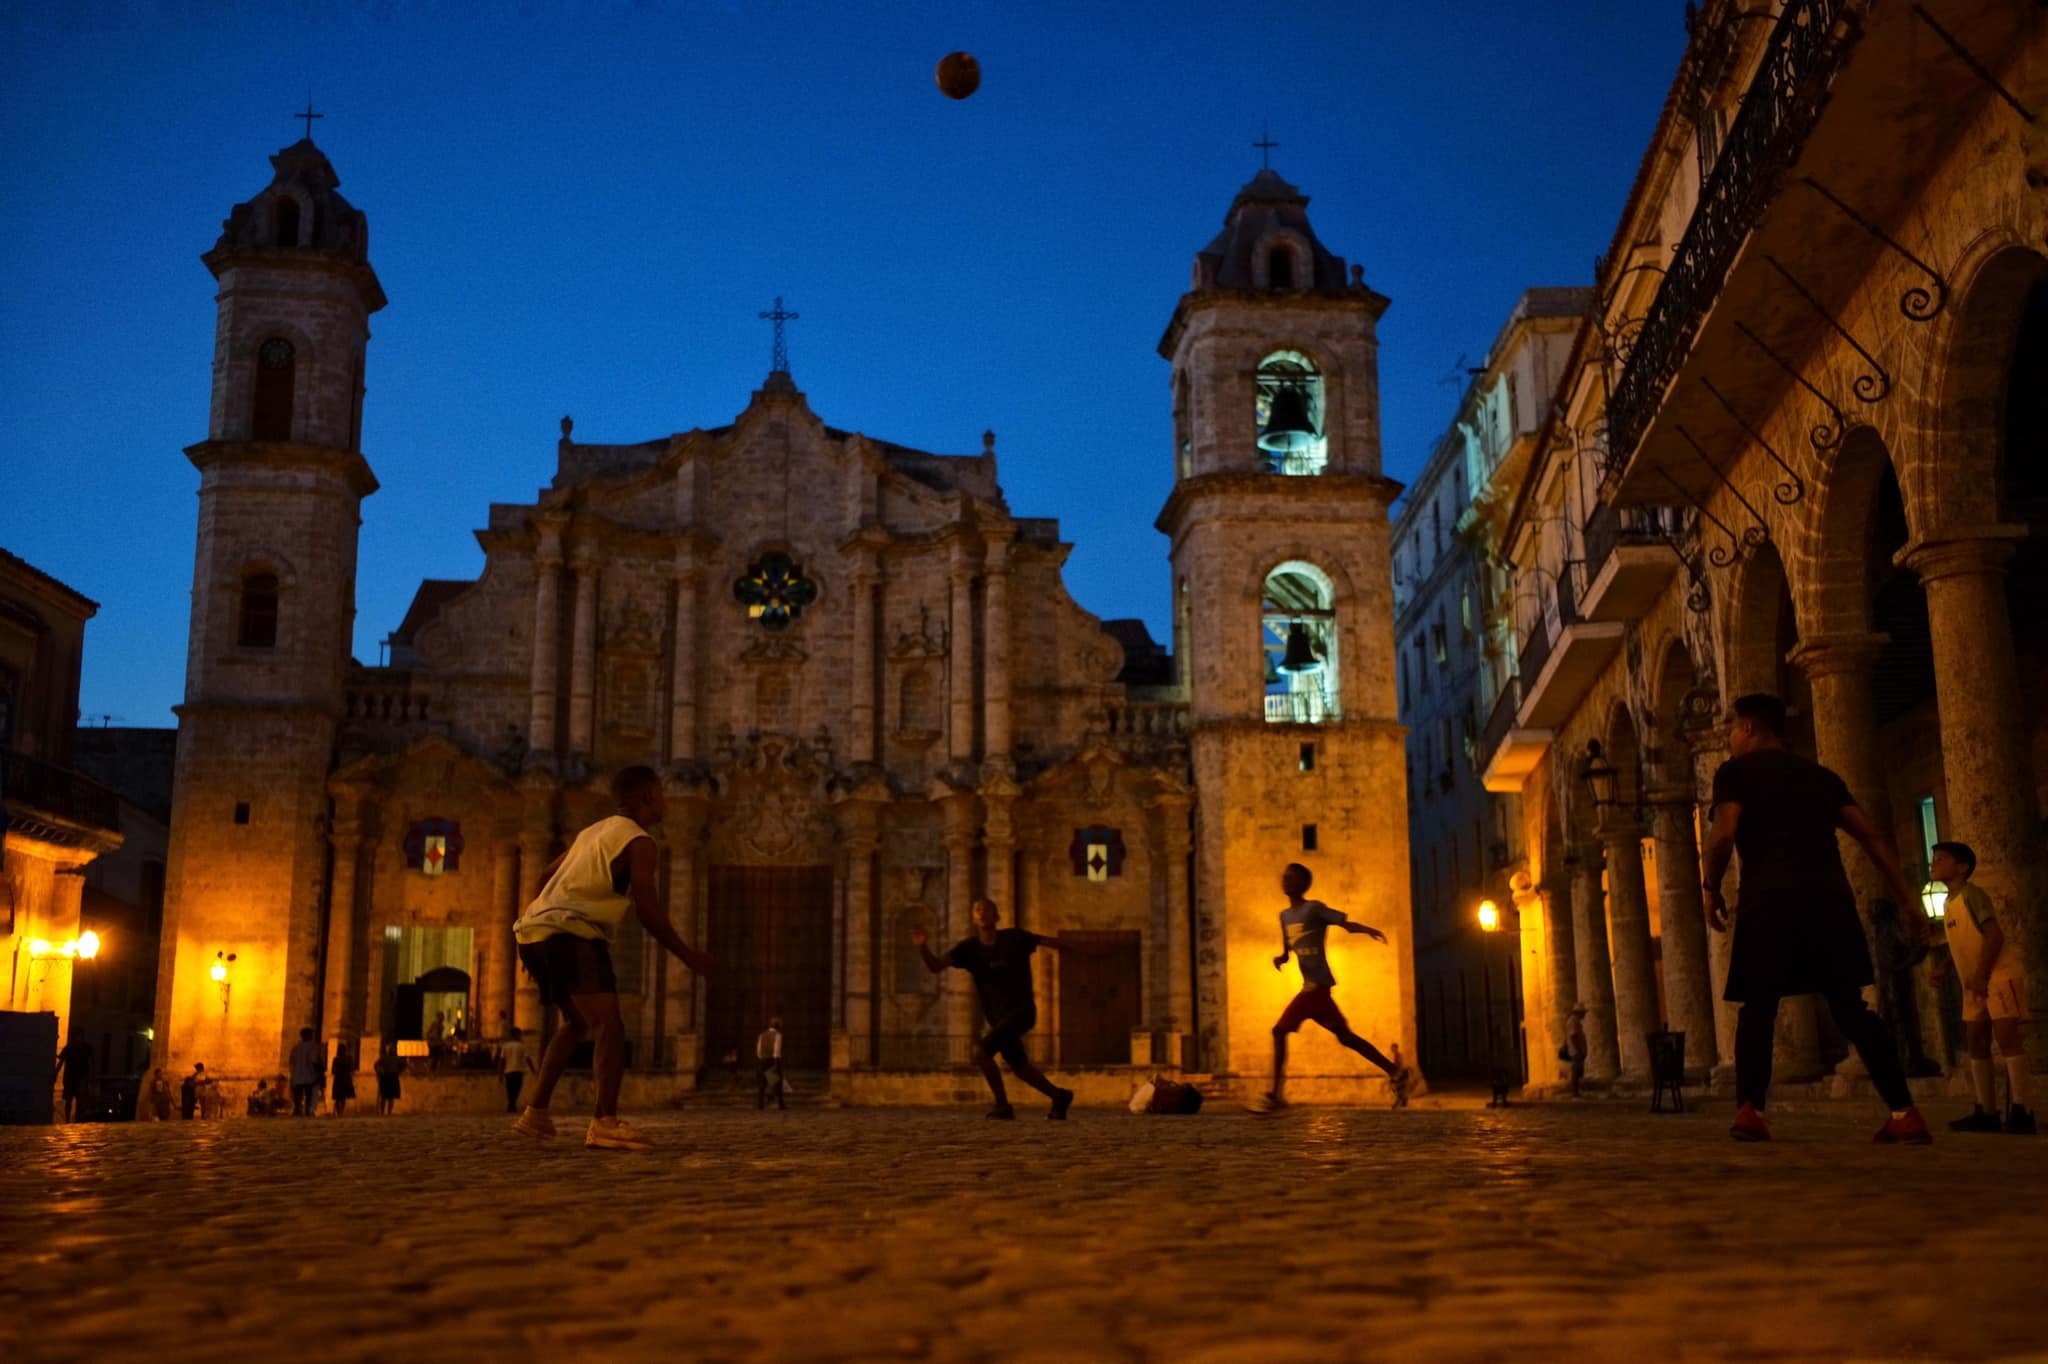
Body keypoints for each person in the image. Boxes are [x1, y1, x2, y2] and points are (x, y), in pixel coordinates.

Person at [1701, 692, 1931, 1144]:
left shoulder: (1735, 773)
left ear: (1747, 729)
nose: (1730, 738)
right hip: (1829, 901)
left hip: (1767, 902)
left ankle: (1750, 1110)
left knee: (1759, 1008)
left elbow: (1724, 832)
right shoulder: (1820, 777)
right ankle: (1904, 1112)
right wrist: (1908, 898)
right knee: (1850, 1008)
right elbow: (1870, 835)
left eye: (1732, 729)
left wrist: (1710, 888)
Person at [511, 764, 713, 1151]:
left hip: (536, 931)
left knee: (575, 1023)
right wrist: (688, 956)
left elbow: (544, 876)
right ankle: (604, 1121)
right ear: (648, 797)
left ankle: (535, 1113)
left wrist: (539, 924)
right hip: (573, 933)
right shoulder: (639, 842)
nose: (666, 801)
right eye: (661, 793)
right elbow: (648, 912)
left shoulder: (593, 832)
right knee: (611, 1026)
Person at [1250, 863, 1405, 1114]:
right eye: (1284, 877)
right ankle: (1395, 1071)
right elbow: (1289, 948)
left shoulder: (1314, 909)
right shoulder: (1284, 916)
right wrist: (1281, 958)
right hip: (1314, 990)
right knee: (1346, 1038)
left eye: (1291, 877)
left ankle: (1275, 1095)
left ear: (1303, 884)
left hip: (1316, 989)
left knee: (1279, 1031)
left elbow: (1345, 924)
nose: (1285, 881)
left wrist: (1369, 930)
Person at [912, 898, 1077, 1120]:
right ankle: (1059, 1096)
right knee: (1020, 1066)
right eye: (977, 909)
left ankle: (1002, 1106)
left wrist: (1080, 948)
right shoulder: (968, 949)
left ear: (996, 916)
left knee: (980, 1051)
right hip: (998, 1019)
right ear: (973, 918)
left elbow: (1049, 942)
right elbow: (935, 966)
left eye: (987, 909)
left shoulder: (1015, 938)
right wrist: (922, 946)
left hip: (1022, 1012)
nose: (982, 912)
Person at [1930, 841, 2033, 1134]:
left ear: (1962, 867)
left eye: (1941, 858)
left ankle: (2023, 1110)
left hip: (1997, 974)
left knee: (2006, 1037)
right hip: (1974, 981)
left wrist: (1981, 973)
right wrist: (1945, 967)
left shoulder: (1972, 895)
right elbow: (1962, 939)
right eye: (1933, 858)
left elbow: (1993, 936)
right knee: (1976, 1041)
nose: (1933, 863)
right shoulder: (1949, 902)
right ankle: (1986, 1110)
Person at [55, 1037, 94, 1123]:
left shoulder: (85, 1048)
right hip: (71, 1079)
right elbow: (61, 1061)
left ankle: (75, 1120)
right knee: (69, 1101)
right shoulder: (70, 1048)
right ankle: (68, 1120)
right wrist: (56, 1073)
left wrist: (91, 1076)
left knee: (79, 1101)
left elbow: (91, 1062)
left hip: (80, 1079)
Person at [288, 1027, 325, 1117]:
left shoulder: (296, 1048)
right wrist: (320, 1072)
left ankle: (298, 1110)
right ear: (309, 1035)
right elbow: (314, 1060)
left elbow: (291, 1062)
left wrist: (292, 1075)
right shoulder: (313, 1046)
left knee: (298, 1096)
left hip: (297, 1076)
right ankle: (308, 1112)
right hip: (310, 1075)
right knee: (309, 1095)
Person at [498, 1025, 535, 1115]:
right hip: (518, 1070)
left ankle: (511, 1105)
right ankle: (512, 1105)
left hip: (508, 1071)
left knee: (510, 1089)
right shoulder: (521, 1046)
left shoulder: (506, 1046)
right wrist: (533, 1069)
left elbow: (502, 1060)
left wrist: (500, 1073)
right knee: (517, 1088)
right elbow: (527, 1059)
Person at [756, 1016, 785, 1111]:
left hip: (763, 1060)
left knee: (762, 1084)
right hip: (772, 1061)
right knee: (776, 1083)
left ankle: (760, 1104)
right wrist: (776, 1063)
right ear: (777, 1026)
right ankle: (780, 1104)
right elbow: (777, 1051)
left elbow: (759, 1051)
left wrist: (761, 1059)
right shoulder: (777, 1035)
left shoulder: (762, 1035)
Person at [1565, 1004, 1589, 1099]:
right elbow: (1573, 1036)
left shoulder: (1574, 1021)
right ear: (1579, 1012)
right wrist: (1578, 1050)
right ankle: (1575, 1093)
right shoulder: (1573, 1021)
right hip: (1576, 1052)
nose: (1584, 1015)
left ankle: (1577, 1092)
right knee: (1575, 1072)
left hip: (1576, 1051)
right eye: (1583, 1012)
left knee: (1577, 1071)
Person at [374, 1041, 403, 1115]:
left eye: (392, 1049)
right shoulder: (384, 1058)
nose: (391, 1050)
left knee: (391, 1097)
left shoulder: (397, 1058)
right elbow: (376, 1065)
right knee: (384, 1096)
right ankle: (382, 1112)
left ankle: (389, 1112)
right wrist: (379, 1071)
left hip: (393, 1077)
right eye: (390, 1049)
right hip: (385, 1077)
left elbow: (402, 1065)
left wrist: (399, 1071)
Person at [330, 1040, 357, 1117]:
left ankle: (339, 1112)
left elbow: (333, 1071)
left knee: (339, 1097)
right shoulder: (348, 1059)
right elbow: (352, 1069)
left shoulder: (336, 1059)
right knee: (342, 1097)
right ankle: (340, 1112)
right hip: (345, 1078)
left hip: (339, 1079)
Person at [1388, 1043, 1412, 1109]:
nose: (1391, 1049)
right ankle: (1404, 1104)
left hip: (1402, 1074)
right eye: (1391, 1048)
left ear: (1396, 1048)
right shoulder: (1396, 1055)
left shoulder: (1398, 1056)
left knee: (1400, 1091)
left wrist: (1396, 1076)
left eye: (1393, 1048)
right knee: (1403, 1090)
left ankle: (1396, 1105)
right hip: (1402, 1074)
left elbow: (1400, 1066)